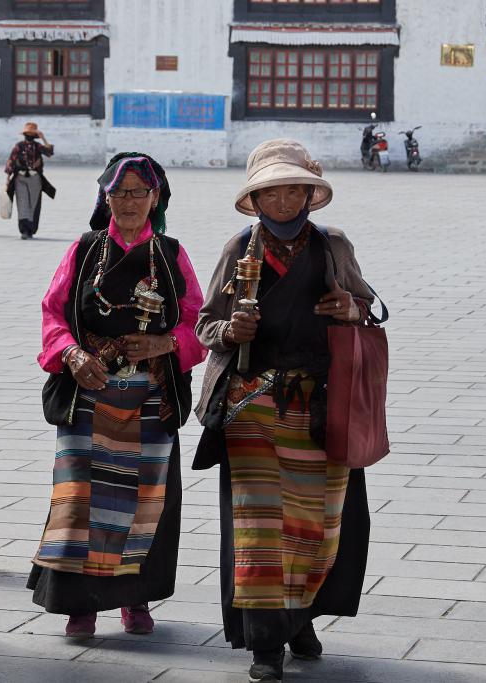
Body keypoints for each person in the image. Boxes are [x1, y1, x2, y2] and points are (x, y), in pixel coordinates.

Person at [192, 139, 372, 682]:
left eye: (294, 187)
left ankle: (303, 617)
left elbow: (371, 306)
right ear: (257, 196)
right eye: (273, 189)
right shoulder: (237, 250)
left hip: (319, 408)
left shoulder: (332, 245)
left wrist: (351, 307)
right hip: (252, 404)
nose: (285, 198)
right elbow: (204, 324)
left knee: (316, 524)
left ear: (310, 193)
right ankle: (266, 642)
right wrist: (229, 330)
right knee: (261, 527)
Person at [28, 152, 207, 638]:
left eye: (137, 192)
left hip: (151, 397)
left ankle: (136, 600)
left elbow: (199, 322)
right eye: (117, 192)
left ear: (155, 198)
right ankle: (79, 605)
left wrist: (166, 343)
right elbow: (54, 313)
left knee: (145, 501)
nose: (127, 201)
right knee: (80, 501)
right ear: (104, 198)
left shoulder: (171, 256)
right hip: (88, 395)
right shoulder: (83, 250)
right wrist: (71, 355)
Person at [4, 122, 55, 239]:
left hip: (35, 178)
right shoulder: (18, 146)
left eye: (32, 133)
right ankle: (23, 230)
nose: (29, 135)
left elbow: (49, 153)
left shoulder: (38, 146)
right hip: (20, 178)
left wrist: (43, 138)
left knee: (33, 203)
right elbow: (11, 161)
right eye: (28, 133)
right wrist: (7, 178)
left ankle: (31, 229)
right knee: (22, 202)